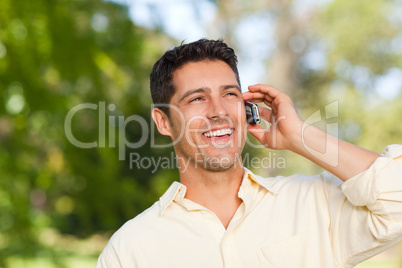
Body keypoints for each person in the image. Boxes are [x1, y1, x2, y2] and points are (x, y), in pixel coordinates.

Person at [97, 39, 402, 268]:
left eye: (229, 94)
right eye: (197, 98)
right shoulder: (130, 249)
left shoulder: (313, 202)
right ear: (163, 121)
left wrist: (300, 136)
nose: (219, 111)